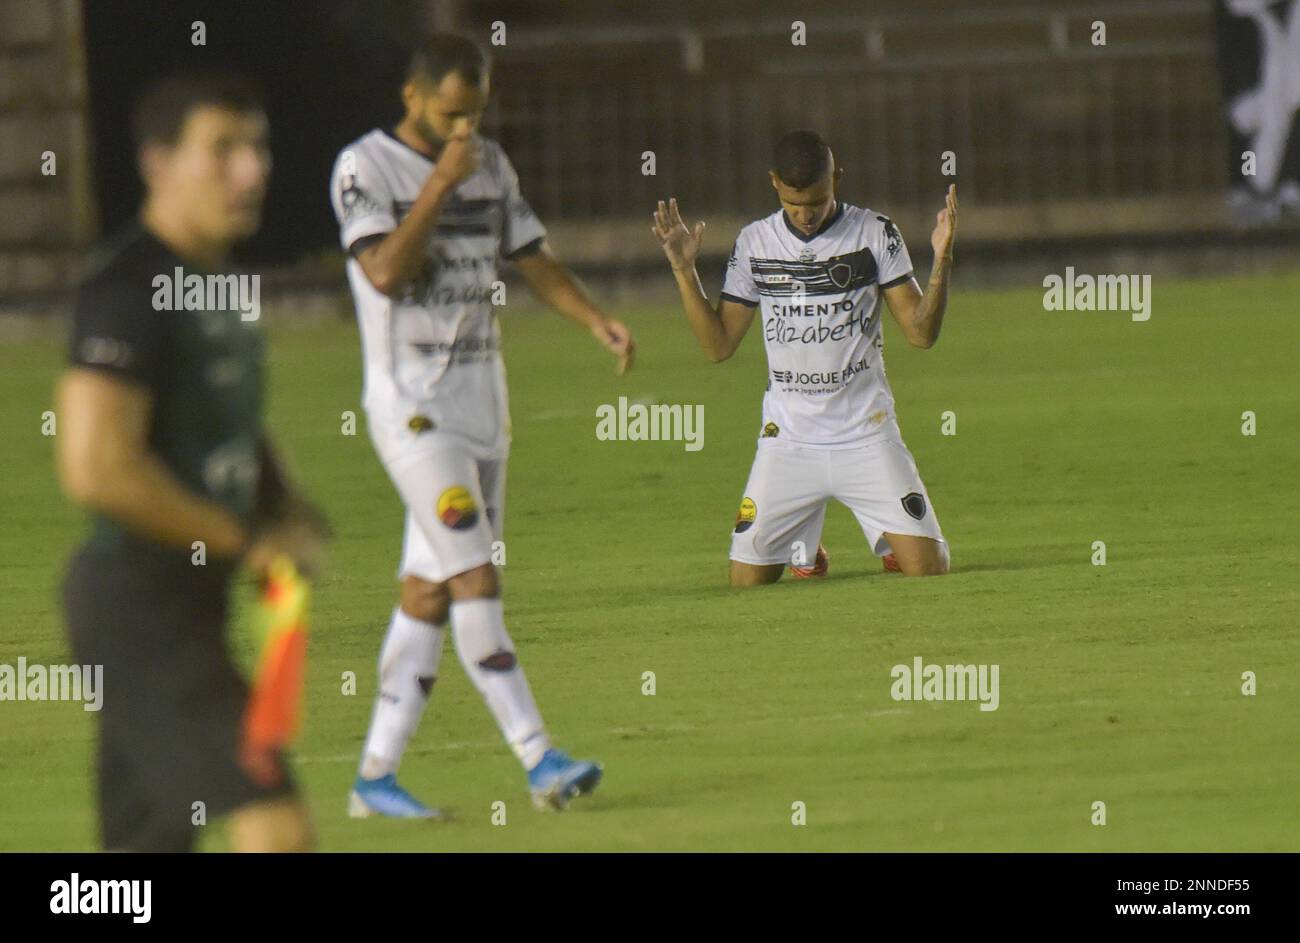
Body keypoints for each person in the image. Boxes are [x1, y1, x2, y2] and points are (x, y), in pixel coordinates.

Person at [330, 34, 634, 816]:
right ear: (412, 95)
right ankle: (539, 759)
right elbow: (386, 272)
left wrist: (595, 320)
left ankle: (374, 777)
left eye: (476, 115)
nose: (465, 130)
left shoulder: (490, 165)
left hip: (482, 408)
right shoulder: (364, 167)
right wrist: (438, 184)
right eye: (450, 113)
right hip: (413, 410)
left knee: (428, 593)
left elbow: (532, 259)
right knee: (474, 574)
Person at [56, 72, 325, 851]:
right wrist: (243, 540)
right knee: (276, 826)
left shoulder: (216, 287)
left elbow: (229, 424)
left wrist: (284, 506)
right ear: (158, 163)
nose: (252, 170)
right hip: (139, 609)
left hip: (189, 607)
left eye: (258, 148)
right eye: (223, 150)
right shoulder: (128, 287)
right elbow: (97, 466)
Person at [652, 129, 955, 586]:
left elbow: (921, 334)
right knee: (746, 584)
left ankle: (884, 538)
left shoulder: (874, 233)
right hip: (789, 440)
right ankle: (805, 546)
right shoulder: (755, 243)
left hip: (865, 434)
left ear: (837, 179)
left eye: (817, 202)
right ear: (774, 183)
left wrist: (942, 259)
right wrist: (683, 270)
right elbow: (718, 346)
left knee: (929, 570)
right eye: (795, 205)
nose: (806, 216)